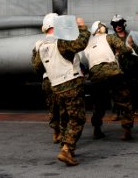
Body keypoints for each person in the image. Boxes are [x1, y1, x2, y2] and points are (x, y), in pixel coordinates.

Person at [32, 13, 90, 166]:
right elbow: (81, 43)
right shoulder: (61, 41)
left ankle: (63, 144)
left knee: (64, 118)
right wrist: (82, 28)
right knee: (77, 118)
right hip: (71, 83)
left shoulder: (41, 45)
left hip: (55, 86)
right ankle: (67, 149)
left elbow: (37, 67)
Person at [83, 21, 134, 141]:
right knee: (124, 101)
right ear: (101, 29)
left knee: (98, 105)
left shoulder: (87, 44)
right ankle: (127, 130)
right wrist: (130, 47)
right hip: (113, 73)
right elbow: (123, 48)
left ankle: (97, 130)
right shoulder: (109, 37)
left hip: (96, 76)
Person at [110, 14, 138, 119]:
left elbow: (137, 50)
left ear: (123, 24)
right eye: (115, 24)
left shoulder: (130, 36)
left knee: (133, 89)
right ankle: (116, 112)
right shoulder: (111, 38)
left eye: (120, 24)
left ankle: (134, 110)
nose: (118, 26)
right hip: (117, 68)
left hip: (130, 68)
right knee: (116, 90)